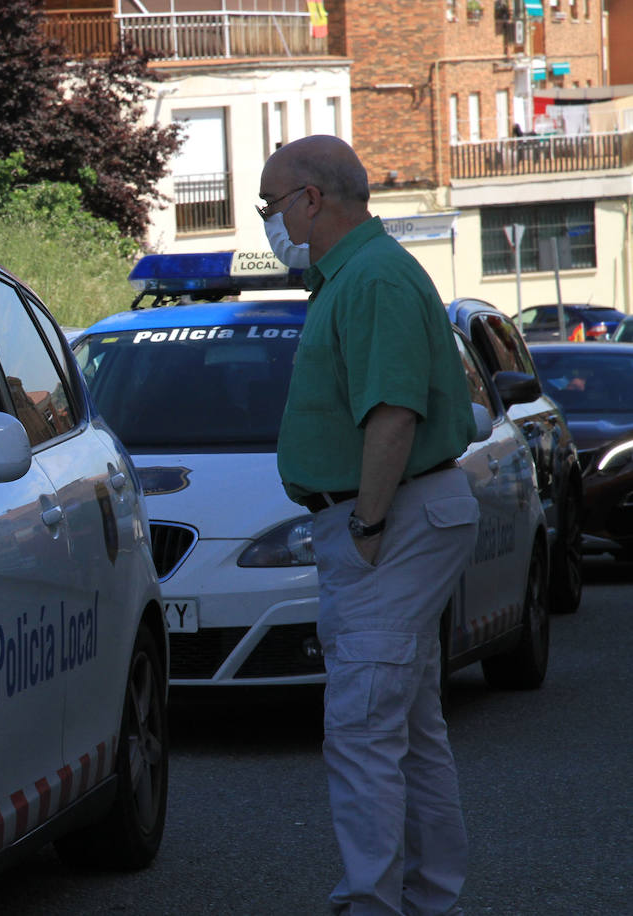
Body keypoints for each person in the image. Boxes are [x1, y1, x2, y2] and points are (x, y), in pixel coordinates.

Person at [261, 135, 481, 916]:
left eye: (270, 204)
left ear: (310, 200)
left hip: (393, 519)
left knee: (362, 728)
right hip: (399, 516)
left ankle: (373, 904)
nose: (269, 220)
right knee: (407, 730)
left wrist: (366, 522)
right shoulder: (360, 275)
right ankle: (421, 899)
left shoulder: (373, 277)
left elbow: (394, 413)